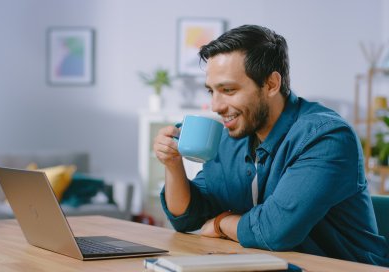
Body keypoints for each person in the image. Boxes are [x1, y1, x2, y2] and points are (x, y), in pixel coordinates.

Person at [153, 25, 389, 266]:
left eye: (228, 90)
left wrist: (219, 222)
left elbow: (274, 230)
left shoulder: (327, 137)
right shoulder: (232, 139)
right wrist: (173, 164)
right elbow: (188, 217)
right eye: (211, 91)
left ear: (271, 84)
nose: (216, 105)